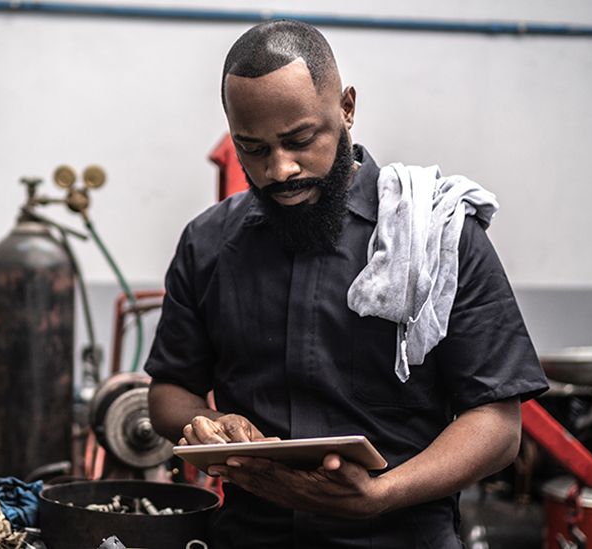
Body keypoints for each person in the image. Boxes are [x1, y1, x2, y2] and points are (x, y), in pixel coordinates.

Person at [145, 20, 549, 548]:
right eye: (254, 149)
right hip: (250, 537)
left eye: (299, 140)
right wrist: (213, 423)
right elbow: (169, 392)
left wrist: (383, 493)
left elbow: (497, 424)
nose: (280, 169)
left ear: (347, 109)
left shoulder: (435, 235)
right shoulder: (208, 244)